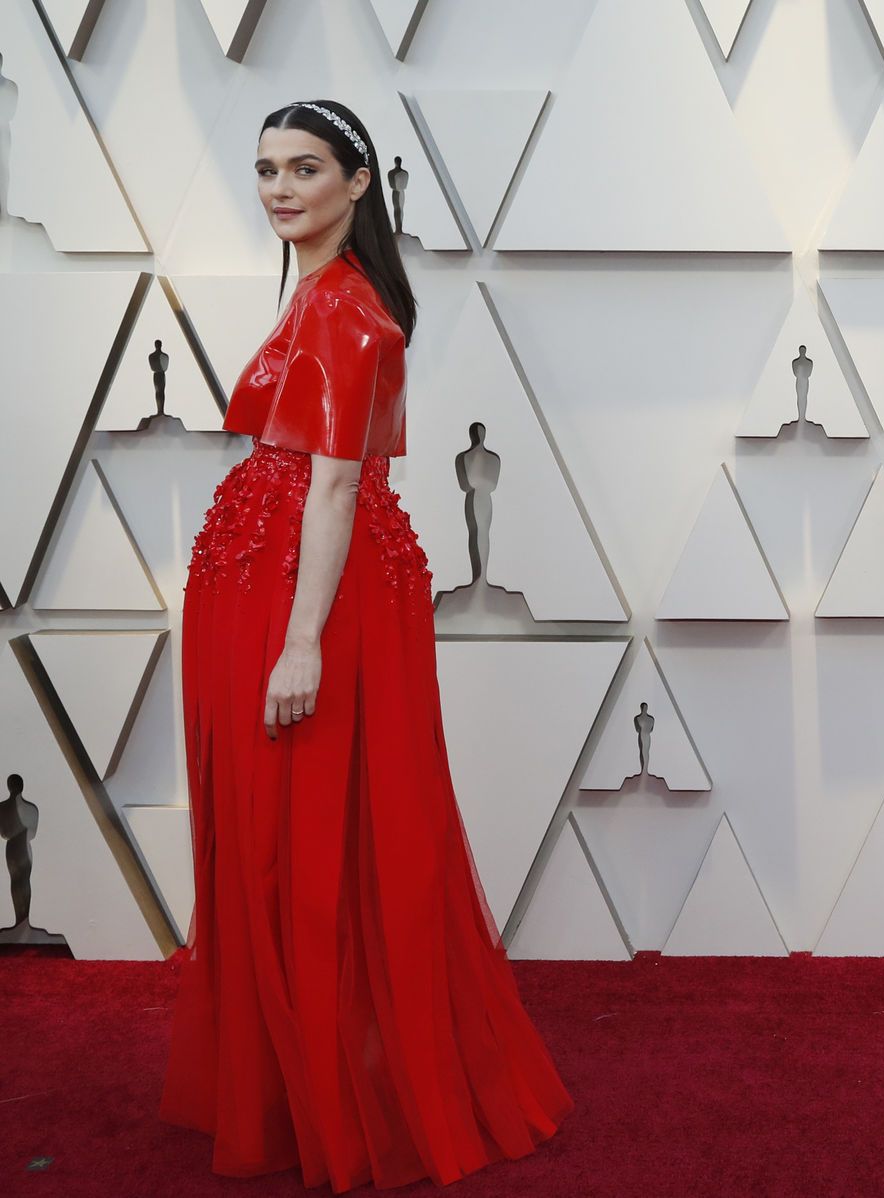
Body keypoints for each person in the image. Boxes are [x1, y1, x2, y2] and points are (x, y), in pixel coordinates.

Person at [158, 98, 575, 1192]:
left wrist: (300, 641)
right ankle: (306, 1084)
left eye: (305, 169)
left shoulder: (347, 313)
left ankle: (333, 1096)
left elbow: (336, 482)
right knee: (285, 831)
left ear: (356, 184)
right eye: (265, 171)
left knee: (311, 835)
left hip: (308, 589)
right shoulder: (325, 295)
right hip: (274, 572)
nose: (281, 189)